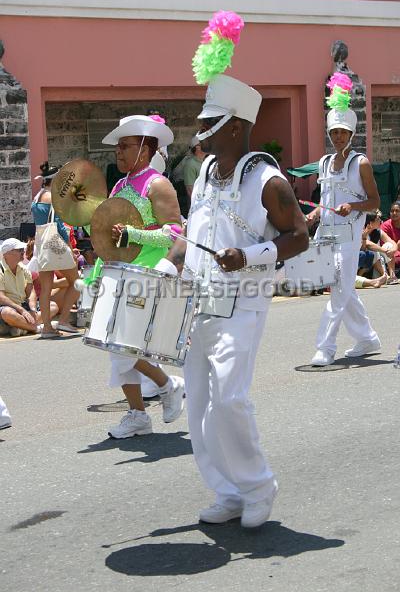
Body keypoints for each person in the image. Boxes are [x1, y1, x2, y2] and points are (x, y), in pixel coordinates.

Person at [163, 71, 308, 528]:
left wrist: (248, 255)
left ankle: (258, 485)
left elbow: (299, 237)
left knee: (229, 400)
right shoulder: (205, 173)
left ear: (233, 125)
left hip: (243, 303)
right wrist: (166, 263)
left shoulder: (268, 181)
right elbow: (193, 235)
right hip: (200, 302)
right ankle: (226, 490)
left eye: (210, 121)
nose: (200, 128)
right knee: (202, 405)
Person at [99, 114, 185, 439]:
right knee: (115, 347)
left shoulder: (157, 184)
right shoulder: (120, 185)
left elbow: (175, 233)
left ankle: (167, 385)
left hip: (147, 274)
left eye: (125, 146)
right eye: (118, 147)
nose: (118, 153)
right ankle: (138, 414)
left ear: (144, 149)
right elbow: (111, 233)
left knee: (123, 345)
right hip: (120, 273)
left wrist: (134, 233)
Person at [307, 73, 381, 366]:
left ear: (351, 134)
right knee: (344, 288)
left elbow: (375, 202)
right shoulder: (324, 162)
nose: (338, 137)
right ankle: (367, 338)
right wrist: (313, 215)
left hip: (350, 238)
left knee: (338, 288)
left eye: (342, 132)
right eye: (334, 132)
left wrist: (353, 206)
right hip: (325, 234)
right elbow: (325, 200)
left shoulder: (360, 162)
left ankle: (325, 347)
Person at [31, 162, 80, 338]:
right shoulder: (53, 197)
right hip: (55, 242)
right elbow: (59, 226)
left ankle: (47, 329)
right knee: (77, 282)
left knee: (45, 288)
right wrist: (68, 247)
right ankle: (64, 320)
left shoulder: (37, 197)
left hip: (42, 242)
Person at [0, 238, 41, 336]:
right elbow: (1, 297)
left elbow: (31, 292)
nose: (23, 251)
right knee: (7, 313)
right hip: (9, 307)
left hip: (23, 306)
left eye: (23, 249)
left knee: (53, 306)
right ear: (7, 253)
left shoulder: (24, 269)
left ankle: (22, 327)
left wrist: (32, 308)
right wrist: (21, 310)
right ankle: (35, 328)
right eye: (19, 250)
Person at [358, 210, 397, 282]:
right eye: (378, 219)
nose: (380, 221)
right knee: (374, 252)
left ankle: (392, 275)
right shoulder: (361, 231)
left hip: (376, 260)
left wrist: (393, 250)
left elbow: (392, 242)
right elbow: (368, 244)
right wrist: (385, 251)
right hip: (365, 259)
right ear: (371, 222)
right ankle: (385, 275)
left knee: (389, 245)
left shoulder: (378, 231)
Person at [381, 201, 400, 282]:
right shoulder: (385, 226)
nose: (394, 213)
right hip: (390, 255)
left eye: (397, 211)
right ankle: (392, 276)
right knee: (388, 245)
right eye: (392, 211)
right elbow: (385, 246)